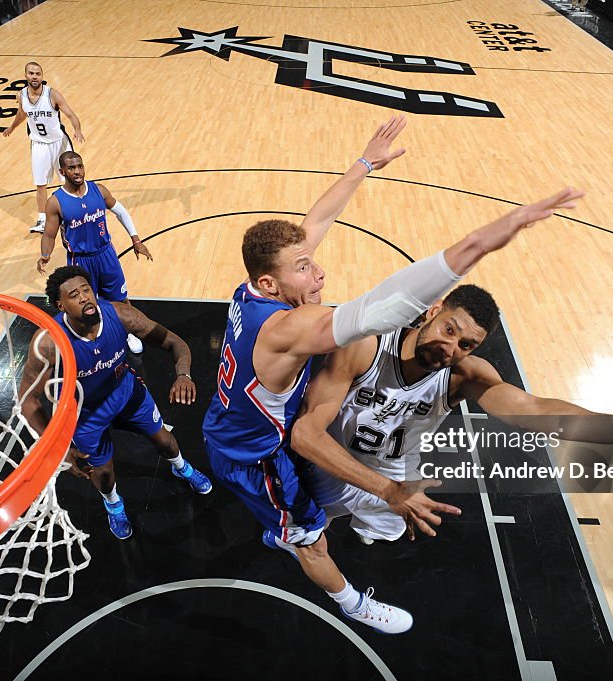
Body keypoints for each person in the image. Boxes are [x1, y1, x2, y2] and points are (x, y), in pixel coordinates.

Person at [202, 114, 584, 635]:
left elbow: (314, 222)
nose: (318, 273)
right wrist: (482, 241)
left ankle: (289, 529)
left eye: (311, 262)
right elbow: (383, 307)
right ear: (272, 283)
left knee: (323, 498)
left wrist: (363, 165)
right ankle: (353, 603)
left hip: (230, 420)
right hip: (255, 454)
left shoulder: (254, 290)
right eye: (304, 268)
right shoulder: (292, 328)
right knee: (310, 538)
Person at [291, 285, 613, 545]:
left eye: (466, 343)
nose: (450, 346)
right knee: (310, 523)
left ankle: (358, 522)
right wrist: (387, 490)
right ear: (434, 310)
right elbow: (307, 435)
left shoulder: (465, 375)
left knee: (386, 530)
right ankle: (309, 532)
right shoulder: (365, 347)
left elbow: (539, 412)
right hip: (333, 457)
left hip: (397, 470)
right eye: (449, 328)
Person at [19, 265, 212, 540]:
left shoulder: (120, 315)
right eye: (75, 295)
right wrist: (57, 448)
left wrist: (183, 374)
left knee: (165, 441)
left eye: (87, 290)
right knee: (104, 472)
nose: (85, 297)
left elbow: (174, 342)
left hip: (127, 394)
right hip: (85, 414)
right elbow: (28, 400)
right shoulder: (49, 343)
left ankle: (182, 468)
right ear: (60, 305)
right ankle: (113, 503)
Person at [36, 150, 153, 353]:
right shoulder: (56, 201)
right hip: (80, 261)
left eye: (80, 166)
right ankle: (91, 339)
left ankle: (129, 332)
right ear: (62, 171)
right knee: (85, 304)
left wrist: (136, 239)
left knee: (120, 298)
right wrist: (45, 255)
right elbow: (49, 234)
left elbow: (121, 211)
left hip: (106, 254)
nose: (77, 171)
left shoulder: (99, 190)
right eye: (72, 168)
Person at [3, 62, 85, 234]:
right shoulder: (21, 96)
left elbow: (71, 115)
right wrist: (11, 127)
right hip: (39, 144)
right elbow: (22, 114)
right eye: (31, 73)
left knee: (69, 180)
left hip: (59, 143)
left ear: (42, 76)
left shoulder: (52, 95)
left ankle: (78, 212)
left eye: (38, 74)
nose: (35, 76)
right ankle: (42, 219)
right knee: (40, 184)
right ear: (26, 75)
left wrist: (77, 129)